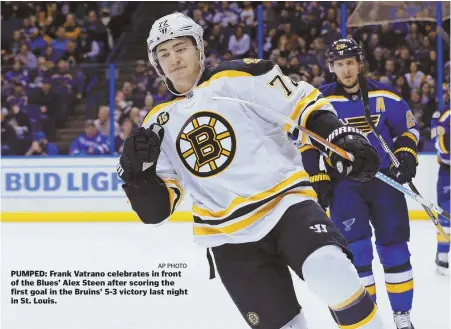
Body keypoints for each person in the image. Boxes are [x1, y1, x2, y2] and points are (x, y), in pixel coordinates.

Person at [118, 14, 383, 329]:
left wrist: (342, 136)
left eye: (180, 48)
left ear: (198, 49)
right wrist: (139, 177)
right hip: (227, 235)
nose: (174, 59)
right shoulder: (156, 125)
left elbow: (303, 106)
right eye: (164, 54)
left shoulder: (240, 76)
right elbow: (156, 212)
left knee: (331, 271)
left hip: (285, 204)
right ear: (156, 64)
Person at [300, 38, 419, 329]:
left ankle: (402, 316)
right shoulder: (320, 101)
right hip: (345, 187)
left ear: (359, 63)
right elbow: (307, 143)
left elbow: (409, 129)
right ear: (331, 67)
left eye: (350, 62)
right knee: (358, 253)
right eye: (339, 64)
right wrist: (318, 178)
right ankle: (370, 318)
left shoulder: (385, 94)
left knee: (395, 249)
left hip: (385, 184)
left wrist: (406, 156)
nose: (346, 69)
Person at [431, 105, 450, 275]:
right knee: (446, 214)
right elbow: (437, 141)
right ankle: (443, 256)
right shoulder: (442, 114)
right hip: (447, 172)